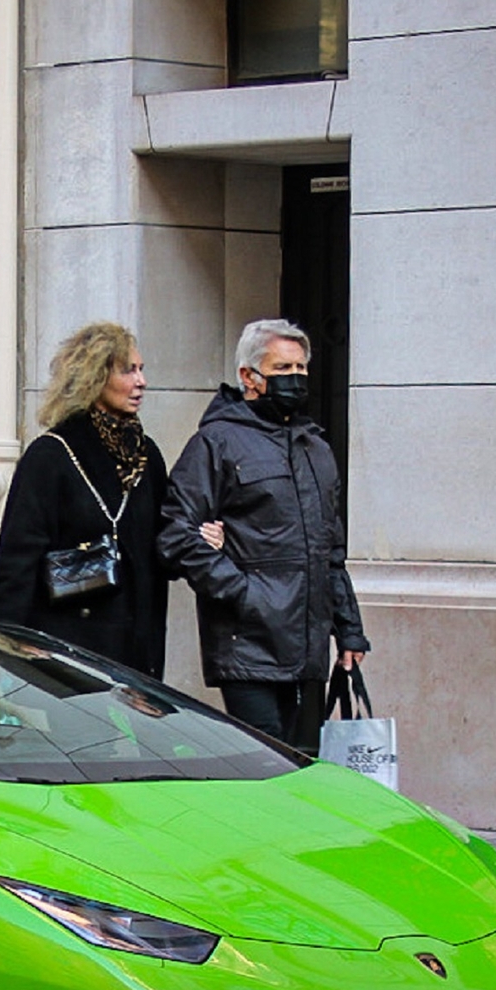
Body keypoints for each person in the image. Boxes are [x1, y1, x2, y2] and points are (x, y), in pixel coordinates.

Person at [157, 317, 369, 750]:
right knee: (266, 760)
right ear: (249, 377)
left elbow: (331, 549)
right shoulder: (216, 443)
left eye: (300, 369)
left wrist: (349, 630)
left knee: (299, 763)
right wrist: (243, 593)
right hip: (247, 645)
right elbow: (176, 534)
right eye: (282, 370)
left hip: (306, 643)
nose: (295, 379)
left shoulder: (316, 448)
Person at [0, 321, 170, 677]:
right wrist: (4, 643)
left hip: (136, 653)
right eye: (128, 371)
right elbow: (16, 561)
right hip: (66, 650)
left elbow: (164, 545)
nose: (141, 382)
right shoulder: (51, 455)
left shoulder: (147, 456)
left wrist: (201, 538)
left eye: (141, 370)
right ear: (95, 378)